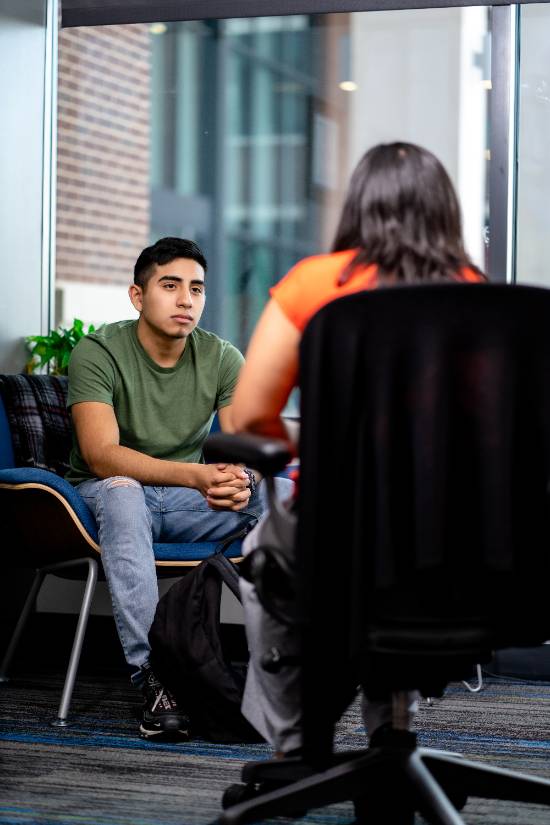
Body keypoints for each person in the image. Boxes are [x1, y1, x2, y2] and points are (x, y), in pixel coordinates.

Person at [230, 142, 487, 755]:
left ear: (359, 206)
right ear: (444, 210)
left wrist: (324, 434)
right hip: (451, 534)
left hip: (338, 527)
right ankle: (391, 731)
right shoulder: (475, 292)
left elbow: (247, 417)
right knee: (398, 571)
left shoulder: (317, 283)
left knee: (261, 558)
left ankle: (298, 742)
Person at [66, 237, 290, 739]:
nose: (186, 300)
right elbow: (102, 455)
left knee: (284, 495)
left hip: (184, 501)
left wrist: (242, 480)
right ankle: (158, 675)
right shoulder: (98, 352)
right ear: (137, 296)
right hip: (107, 496)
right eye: (170, 286)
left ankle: (289, 660)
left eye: (197, 288)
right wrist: (197, 474)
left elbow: (241, 447)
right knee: (122, 489)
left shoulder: (220, 356)